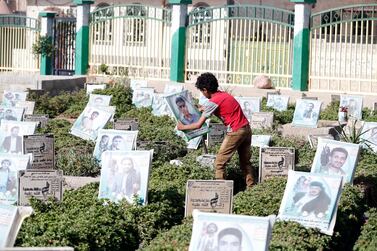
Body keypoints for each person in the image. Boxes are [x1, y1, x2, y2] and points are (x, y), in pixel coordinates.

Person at [177, 72, 255, 188]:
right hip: (246, 129)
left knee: (219, 163)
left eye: (202, 92)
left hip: (235, 132)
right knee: (245, 162)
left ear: (205, 90)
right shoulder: (223, 95)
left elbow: (198, 125)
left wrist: (182, 127)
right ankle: (251, 186)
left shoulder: (213, 101)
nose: (203, 94)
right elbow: (218, 107)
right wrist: (203, 108)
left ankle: (222, 191)